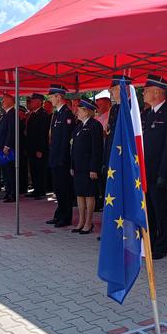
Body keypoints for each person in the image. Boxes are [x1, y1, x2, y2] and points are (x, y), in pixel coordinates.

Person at [142, 74, 167, 259]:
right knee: (148, 209)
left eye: (147, 90)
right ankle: (149, 241)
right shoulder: (147, 114)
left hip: (159, 173)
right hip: (145, 172)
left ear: (157, 92)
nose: (143, 93)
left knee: (161, 211)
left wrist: (164, 174)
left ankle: (161, 245)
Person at [70, 98, 103, 234]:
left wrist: (94, 168)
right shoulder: (78, 126)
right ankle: (81, 221)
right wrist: (72, 165)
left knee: (89, 194)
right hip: (78, 167)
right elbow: (73, 148)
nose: (76, 111)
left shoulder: (95, 126)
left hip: (88, 167)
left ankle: (89, 222)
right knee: (80, 194)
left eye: (79, 109)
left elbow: (97, 149)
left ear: (87, 111)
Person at [46, 84, 76, 227]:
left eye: (52, 97)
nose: (50, 99)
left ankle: (66, 216)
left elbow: (65, 139)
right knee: (57, 188)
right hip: (55, 157)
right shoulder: (57, 113)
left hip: (62, 159)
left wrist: (61, 158)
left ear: (59, 97)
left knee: (64, 189)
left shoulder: (67, 114)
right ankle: (59, 213)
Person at [25, 93, 50, 200]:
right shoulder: (33, 114)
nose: (31, 102)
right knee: (34, 169)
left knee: (40, 170)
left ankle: (41, 191)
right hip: (32, 147)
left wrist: (40, 149)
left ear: (40, 101)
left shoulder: (43, 115)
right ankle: (36, 189)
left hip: (39, 149)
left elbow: (43, 134)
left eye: (33, 100)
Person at [0, 93, 17, 203]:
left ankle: (13, 194)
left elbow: (11, 132)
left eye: (4, 100)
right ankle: (8, 192)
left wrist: (7, 146)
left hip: (7, 149)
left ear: (10, 101)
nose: (2, 102)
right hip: (1, 148)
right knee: (5, 171)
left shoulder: (12, 114)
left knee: (10, 171)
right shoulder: (6, 114)